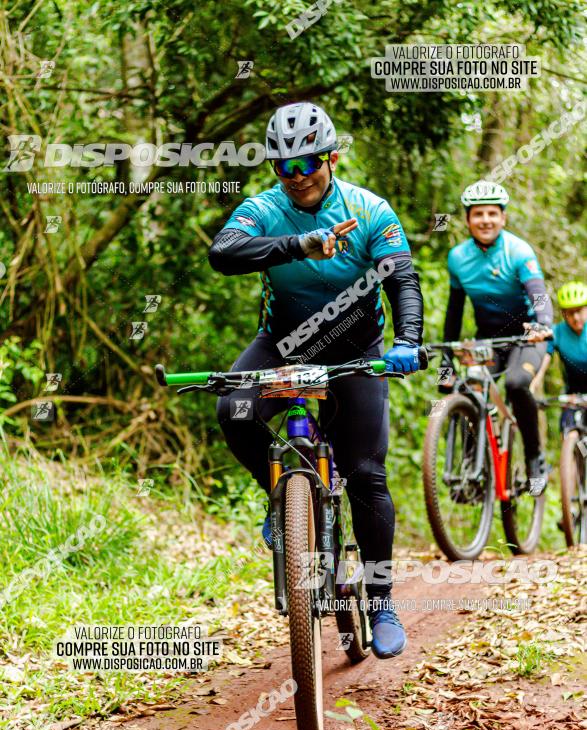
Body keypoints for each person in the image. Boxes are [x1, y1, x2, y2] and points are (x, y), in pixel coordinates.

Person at [208, 102, 424, 659]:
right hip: (282, 344)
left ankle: (381, 602)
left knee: (368, 477)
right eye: (284, 166)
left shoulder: (370, 210)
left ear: (330, 157)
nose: (298, 176)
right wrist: (300, 244)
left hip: (355, 351)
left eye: (307, 163)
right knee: (232, 408)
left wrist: (407, 341)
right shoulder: (264, 208)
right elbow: (224, 253)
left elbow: (402, 280)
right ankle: (282, 504)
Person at [443, 180, 553, 496]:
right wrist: (447, 359)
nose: (486, 220)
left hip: (527, 337)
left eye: (493, 213)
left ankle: (535, 458)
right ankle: (470, 469)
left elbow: (539, 296)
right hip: (488, 341)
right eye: (478, 214)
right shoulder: (457, 258)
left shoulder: (518, 251)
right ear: (467, 220)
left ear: (503, 218)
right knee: (468, 387)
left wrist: (543, 323)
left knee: (517, 384)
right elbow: (454, 311)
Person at [533, 282, 587, 433]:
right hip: (572, 395)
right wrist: (535, 381)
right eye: (570, 313)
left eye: (579, 311)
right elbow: (545, 357)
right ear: (563, 314)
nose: (576, 318)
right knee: (568, 431)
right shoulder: (557, 332)